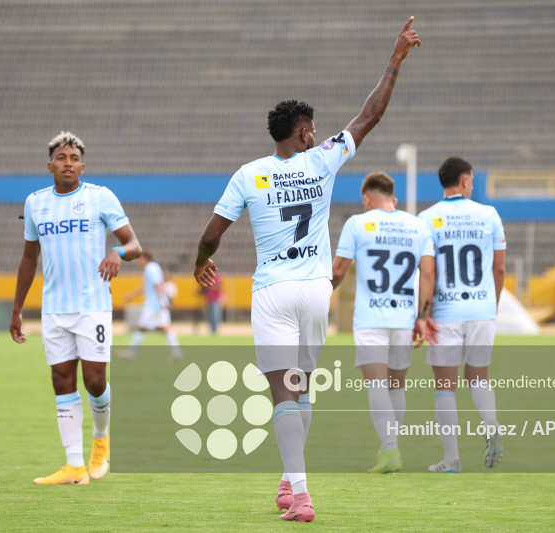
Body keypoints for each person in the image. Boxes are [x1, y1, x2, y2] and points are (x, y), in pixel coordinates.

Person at [193, 17, 421, 522]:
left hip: (272, 290)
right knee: (303, 386)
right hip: (318, 290)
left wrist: (201, 265)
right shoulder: (322, 160)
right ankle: (289, 478)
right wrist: (395, 60)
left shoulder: (248, 174)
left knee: (281, 392)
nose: (316, 133)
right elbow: (370, 114)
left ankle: (300, 492)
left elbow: (212, 234)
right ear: (302, 133)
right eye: (312, 128)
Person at [10, 132, 142, 485]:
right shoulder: (35, 203)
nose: (67, 162)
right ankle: (73, 466)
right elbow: (28, 258)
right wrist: (17, 308)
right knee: (61, 380)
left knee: (94, 380)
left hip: (93, 306)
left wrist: (116, 252)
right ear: (50, 164)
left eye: (73, 158)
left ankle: (101, 442)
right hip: (54, 309)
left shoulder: (100, 198)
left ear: (82, 165)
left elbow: (134, 244)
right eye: (61, 157)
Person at [331, 171, 437, 474]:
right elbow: (428, 274)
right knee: (396, 386)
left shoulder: (357, 223)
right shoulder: (418, 227)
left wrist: (319, 292)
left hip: (370, 318)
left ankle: (390, 449)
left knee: (376, 384)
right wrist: (422, 315)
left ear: (367, 199)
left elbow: (338, 271)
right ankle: (390, 448)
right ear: (395, 199)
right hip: (404, 318)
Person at [417, 156, 506, 473]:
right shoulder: (489, 214)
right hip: (482, 308)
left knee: (445, 386)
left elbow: (427, 273)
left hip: (445, 311)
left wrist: (422, 314)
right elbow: (499, 267)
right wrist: (491, 306)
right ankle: (492, 424)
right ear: (466, 181)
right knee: (479, 377)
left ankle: (452, 459)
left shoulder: (426, 219)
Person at [120, 250, 183, 360]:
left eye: (138, 259)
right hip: (157, 304)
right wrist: (132, 296)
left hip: (154, 305)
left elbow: (158, 285)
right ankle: (177, 353)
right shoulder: (153, 268)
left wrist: (162, 302)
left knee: (142, 328)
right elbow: (147, 287)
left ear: (144, 259)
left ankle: (131, 353)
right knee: (165, 328)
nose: (137, 262)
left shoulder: (151, 268)